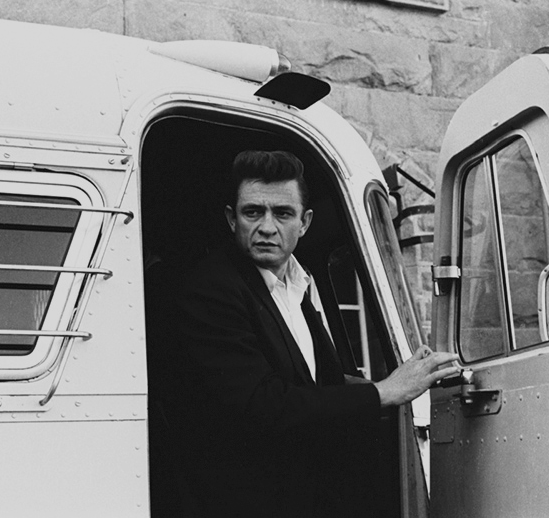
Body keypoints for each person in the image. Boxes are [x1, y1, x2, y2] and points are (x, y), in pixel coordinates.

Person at [167, 150, 458, 517]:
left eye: (283, 213)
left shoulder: (298, 283)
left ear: (304, 223)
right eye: (253, 212)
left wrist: (399, 378)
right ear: (231, 219)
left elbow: (310, 378)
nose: (268, 227)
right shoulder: (211, 288)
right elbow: (263, 405)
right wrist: (385, 391)